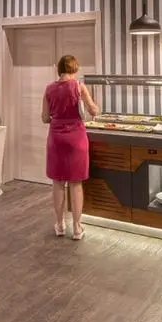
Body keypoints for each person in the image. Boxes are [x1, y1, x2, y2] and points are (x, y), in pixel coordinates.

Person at [41, 55, 99, 240]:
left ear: (59, 70)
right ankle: (76, 227)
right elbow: (93, 110)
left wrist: (57, 117)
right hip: (76, 138)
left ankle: (59, 225)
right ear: (75, 69)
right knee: (76, 183)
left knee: (58, 182)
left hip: (56, 139)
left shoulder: (49, 89)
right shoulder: (79, 86)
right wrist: (93, 109)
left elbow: (44, 118)